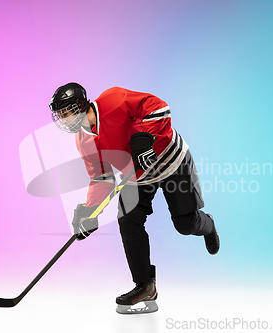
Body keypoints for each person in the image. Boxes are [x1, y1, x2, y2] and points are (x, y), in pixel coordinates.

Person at [49, 82, 220, 314]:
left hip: (170, 159)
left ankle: (208, 225)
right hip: (138, 174)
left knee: (185, 224)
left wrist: (144, 139)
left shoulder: (113, 100)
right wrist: (90, 212)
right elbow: (101, 179)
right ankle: (145, 286)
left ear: (80, 105)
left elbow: (160, 108)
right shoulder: (83, 141)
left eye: (66, 113)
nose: (63, 119)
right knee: (128, 220)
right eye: (59, 115)